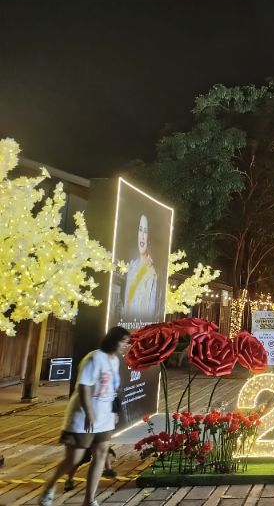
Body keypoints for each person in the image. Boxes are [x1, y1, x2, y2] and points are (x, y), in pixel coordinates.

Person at [40, 326, 130, 506]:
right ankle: (49, 487)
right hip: (83, 416)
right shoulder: (94, 358)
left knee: (101, 455)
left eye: (127, 343)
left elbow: (113, 389)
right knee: (74, 458)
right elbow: (84, 386)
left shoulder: (115, 360)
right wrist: (89, 413)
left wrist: (114, 411)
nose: (126, 346)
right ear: (113, 341)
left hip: (104, 416)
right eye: (123, 342)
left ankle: (89, 499)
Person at [123, 214, 158, 321]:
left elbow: (151, 310)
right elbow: (127, 302)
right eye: (140, 230)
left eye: (145, 232)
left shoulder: (152, 272)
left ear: (149, 238)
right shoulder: (131, 267)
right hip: (127, 325)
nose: (142, 236)